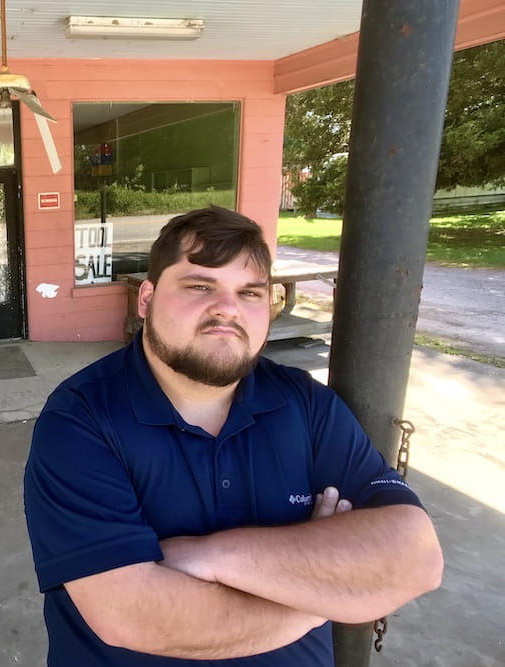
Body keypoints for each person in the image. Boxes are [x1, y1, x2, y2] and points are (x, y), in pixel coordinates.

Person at [23, 206, 443, 666]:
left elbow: (415, 558)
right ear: (146, 300)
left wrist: (213, 555)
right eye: (200, 286)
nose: (227, 308)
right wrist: (326, 591)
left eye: (249, 292)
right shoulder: (81, 418)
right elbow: (132, 613)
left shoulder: (305, 404)